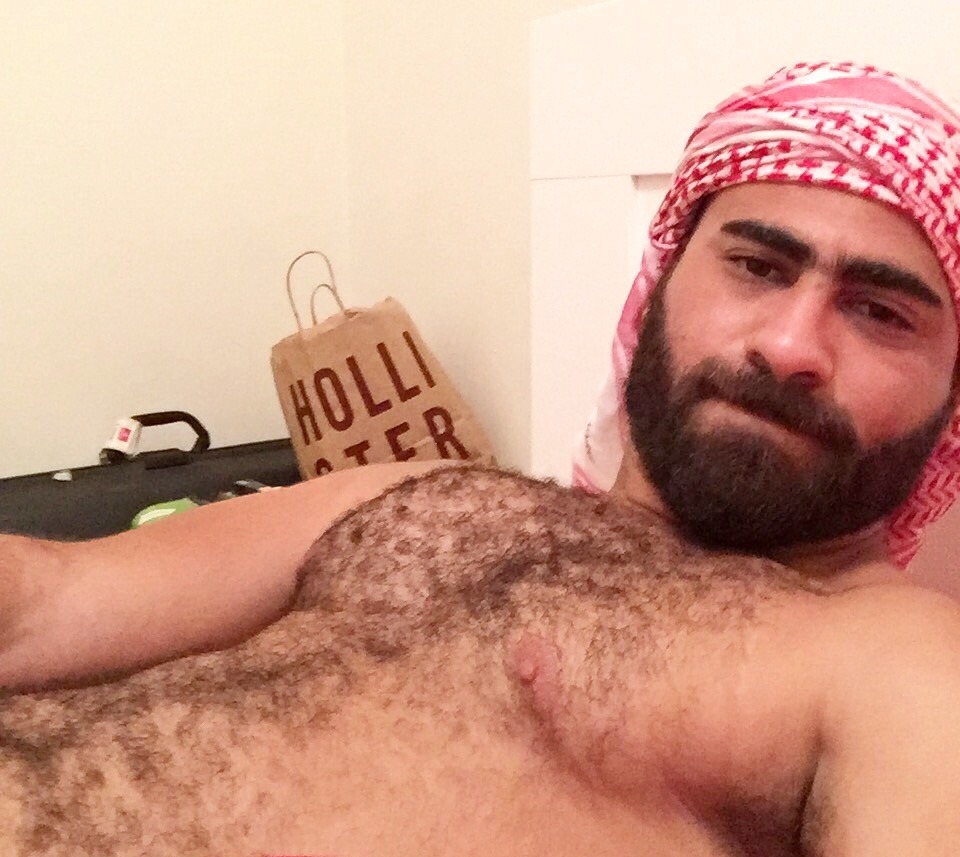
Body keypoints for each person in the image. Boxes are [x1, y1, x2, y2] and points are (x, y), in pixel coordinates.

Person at [3, 61, 960, 855]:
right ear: (659, 286)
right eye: (756, 265)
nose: (790, 346)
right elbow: (47, 604)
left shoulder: (893, 657)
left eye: (881, 312)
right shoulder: (420, 494)